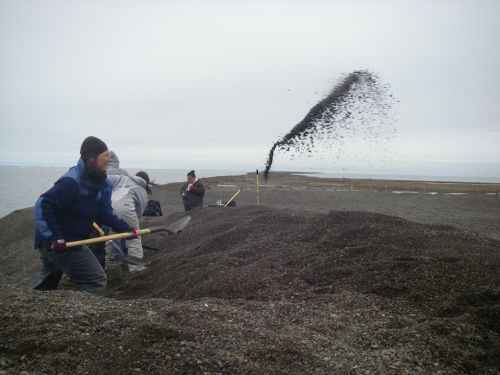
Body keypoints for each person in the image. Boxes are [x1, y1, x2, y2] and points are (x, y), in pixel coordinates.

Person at [33, 136, 138, 294]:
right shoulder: (72, 182)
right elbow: (44, 205)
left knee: (48, 282)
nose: (108, 159)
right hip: (57, 241)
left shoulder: (101, 183)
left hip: (70, 239)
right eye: (105, 155)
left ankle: (35, 309)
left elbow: (103, 213)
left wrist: (124, 229)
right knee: (96, 280)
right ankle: (77, 315)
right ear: (91, 158)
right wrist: (56, 237)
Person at [88, 149, 129, 269]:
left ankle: (97, 265)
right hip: (119, 205)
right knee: (118, 232)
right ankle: (116, 256)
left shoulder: (100, 172)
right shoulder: (124, 172)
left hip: (103, 208)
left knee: (98, 237)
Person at [107, 171, 152, 272]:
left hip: (110, 206)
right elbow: (140, 211)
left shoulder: (123, 178)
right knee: (134, 237)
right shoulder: (142, 190)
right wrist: (132, 225)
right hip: (126, 207)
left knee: (112, 236)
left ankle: (104, 262)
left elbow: (106, 179)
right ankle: (135, 267)